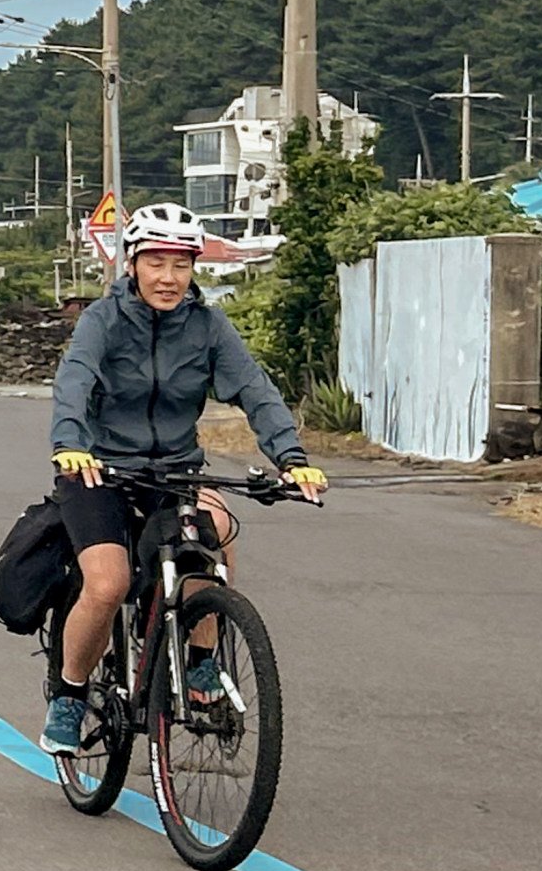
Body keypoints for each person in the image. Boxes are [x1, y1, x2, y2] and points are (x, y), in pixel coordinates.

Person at [41, 203, 328, 754]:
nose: (168, 278)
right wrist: (71, 445)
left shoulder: (207, 326)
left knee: (216, 531)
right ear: (133, 264)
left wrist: (291, 459)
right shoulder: (102, 320)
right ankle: (69, 694)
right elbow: (74, 381)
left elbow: (255, 390)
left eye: (181, 264)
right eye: (156, 263)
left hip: (175, 468)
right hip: (100, 468)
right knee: (107, 584)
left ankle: (198, 664)